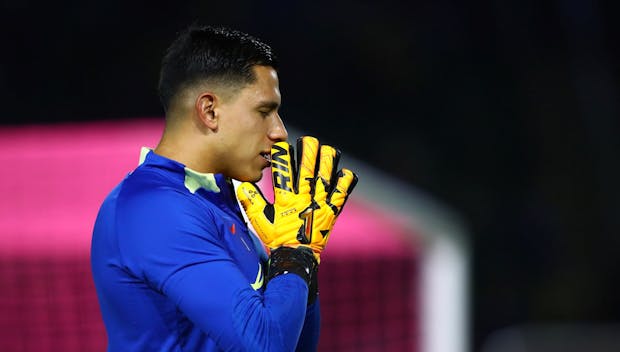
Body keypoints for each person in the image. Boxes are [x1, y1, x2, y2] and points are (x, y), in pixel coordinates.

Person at [90, 24, 357, 352]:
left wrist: (303, 264)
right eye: (264, 111)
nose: (279, 131)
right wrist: (293, 256)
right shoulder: (152, 208)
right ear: (210, 111)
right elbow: (265, 346)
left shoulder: (219, 201)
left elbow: (294, 345)